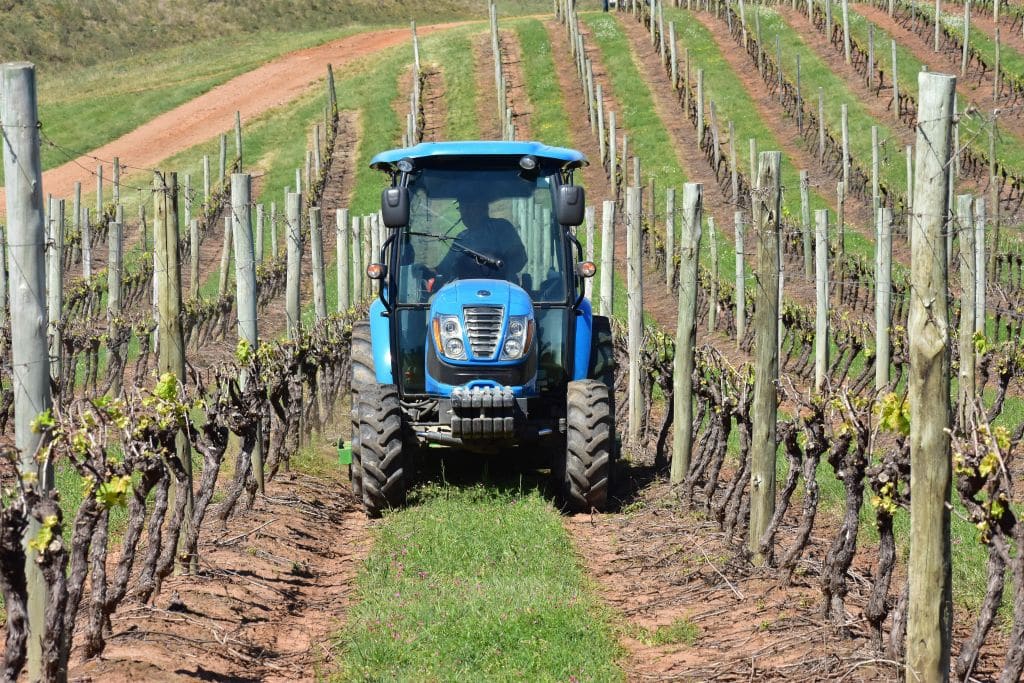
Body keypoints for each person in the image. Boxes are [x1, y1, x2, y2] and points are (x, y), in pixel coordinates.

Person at [430, 194, 527, 286]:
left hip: (502, 289)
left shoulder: (501, 228)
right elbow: (443, 270)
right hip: (463, 293)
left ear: (483, 208)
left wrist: (494, 269)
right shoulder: (462, 238)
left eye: (470, 207)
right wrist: (427, 272)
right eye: (462, 207)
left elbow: (519, 259)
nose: (465, 212)